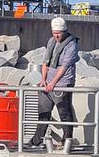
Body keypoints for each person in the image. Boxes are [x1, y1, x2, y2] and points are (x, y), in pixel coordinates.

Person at [29, 16, 79, 147]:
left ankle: (67, 140)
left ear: (64, 31)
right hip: (48, 83)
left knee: (64, 112)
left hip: (63, 83)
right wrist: (43, 80)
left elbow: (64, 67)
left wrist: (54, 83)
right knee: (43, 112)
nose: (56, 35)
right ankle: (36, 140)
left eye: (59, 33)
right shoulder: (51, 41)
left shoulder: (71, 44)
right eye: (54, 33)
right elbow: (45, 62)